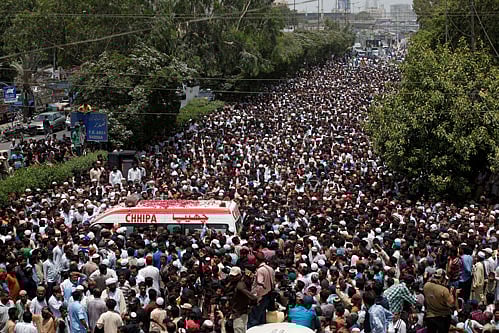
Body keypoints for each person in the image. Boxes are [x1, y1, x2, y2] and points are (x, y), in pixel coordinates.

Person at [423, 269, 457, 333]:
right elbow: (451, 304)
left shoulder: (426, 285)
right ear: (441, 278)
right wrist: (453, 294)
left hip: (430, 316)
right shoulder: (444, 290)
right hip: (443, 317)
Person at [248, 252, 275, 328]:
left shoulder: (260, 270)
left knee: (253, 318)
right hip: (268, 295)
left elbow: (260, 285)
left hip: (261, 297)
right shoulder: (270, 268)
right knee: (262, 317)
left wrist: (257, 298)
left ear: (257, 260)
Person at [229, 267, 257, 333]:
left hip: (239, 313)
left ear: (239, 275)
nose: (232, 278)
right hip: (240, 312)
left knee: (238, 329)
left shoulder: (240, 286)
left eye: (234, 276)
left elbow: (252, 297)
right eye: (231, 276)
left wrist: (252, 303)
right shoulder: (236, 283)